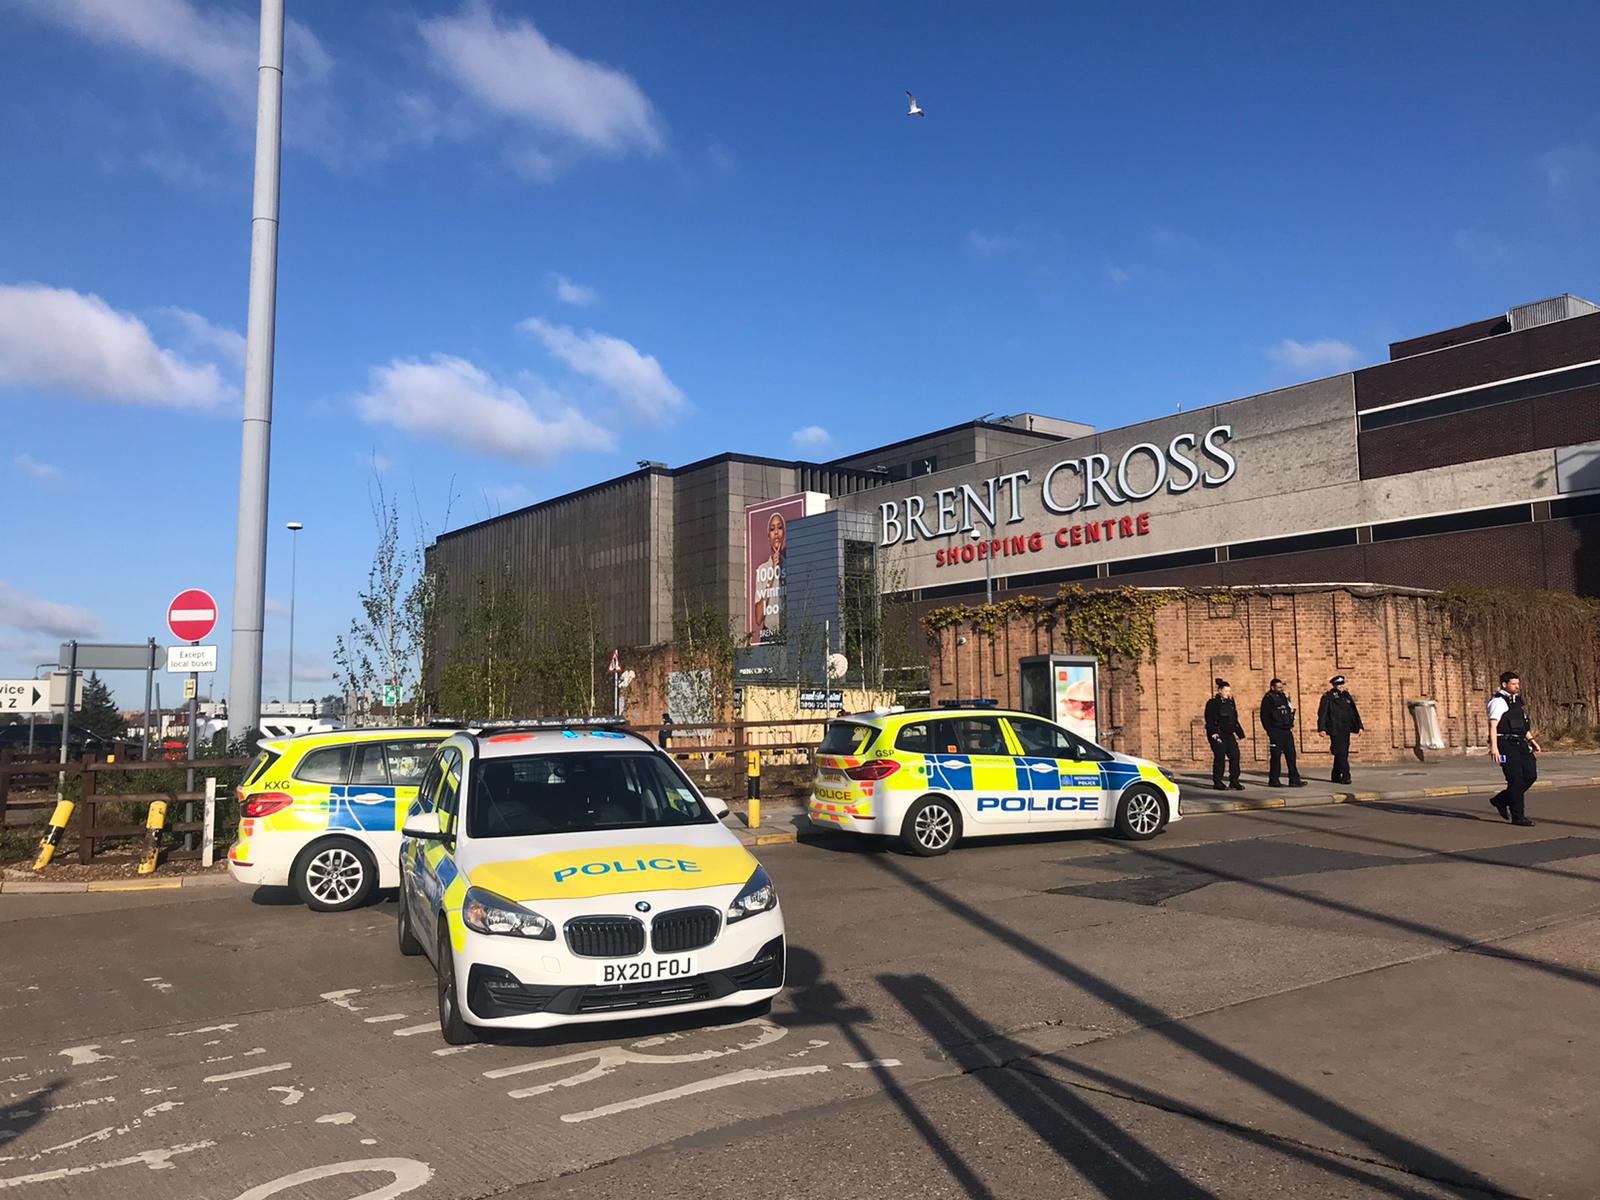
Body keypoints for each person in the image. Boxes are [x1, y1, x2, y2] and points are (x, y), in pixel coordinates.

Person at [1487, 671, 1539, 827]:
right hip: (1505, 744)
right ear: (1504, 685)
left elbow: (1521, 724)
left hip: (1521, 742)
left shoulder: (1516, 701)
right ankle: (1518, 816)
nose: (1517, 686)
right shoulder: (1498, 702)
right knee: (1515, 779)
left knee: (1530, 775)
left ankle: (1501, 799)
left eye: (1518, 683)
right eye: (1514, 684)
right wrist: (1494, 748)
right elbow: (1493, 726)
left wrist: (1532, 740)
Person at [1316, 675, 1363, 785]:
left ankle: (1336, 775)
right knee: (1340, 752)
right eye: (1339, 685)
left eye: (1342, 684)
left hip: (1346, 728)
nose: (1341, 686)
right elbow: (1322, 713)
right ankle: (1346, 776)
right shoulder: (1328, 696)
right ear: (1334, 685)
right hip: (1335, 728)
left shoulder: (1346, 696)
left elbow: (1354, 712)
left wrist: (1359, 726)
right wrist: (1321, 728)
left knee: (1342, 752)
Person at [1259, 677, 1305, 788]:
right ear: (1272, 687)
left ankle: (1294, 779)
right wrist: (1270, 731)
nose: (1281, 689)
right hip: (1276, 731)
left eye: (1281, 687)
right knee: (1276, 756)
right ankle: (1274, 780)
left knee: (1291, 755)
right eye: (1278, 687)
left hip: (1286, 730)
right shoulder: (1268, 699)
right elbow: (1264, 717)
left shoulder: (1283, 696)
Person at [1204, 678, 1245, 791]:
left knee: (1235, 755)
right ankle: (1218, 782)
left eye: (1229, 691)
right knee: (1220, 757)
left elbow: (1234, 719)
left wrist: (1240, 733)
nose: (1228, 693)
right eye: (1226, 691)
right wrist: (1213, 733)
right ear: (1220, 691)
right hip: (1218, 734)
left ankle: (1234, 781)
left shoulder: (1231, 702)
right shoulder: (1212, 703)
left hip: (1229, 734)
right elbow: (1209, 719)